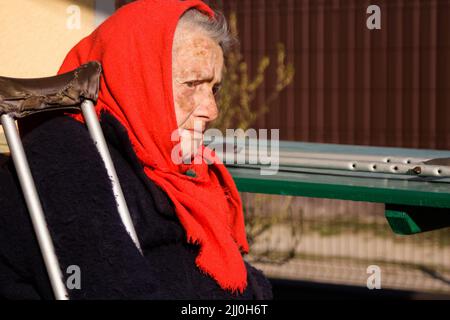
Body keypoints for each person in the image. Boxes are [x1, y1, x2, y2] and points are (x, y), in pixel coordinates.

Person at [0, 0, 273, 299]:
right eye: (192, 83)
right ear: (136, 75)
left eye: (214, 88)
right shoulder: (63, 156)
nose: (212, 110)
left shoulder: (168, 162)